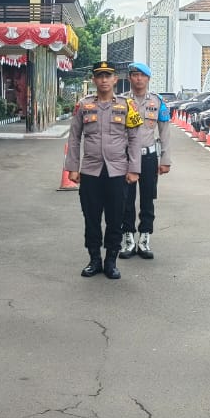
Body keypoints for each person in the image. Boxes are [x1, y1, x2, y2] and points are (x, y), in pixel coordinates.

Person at [65, 60, 142, 279]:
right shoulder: (83, 105)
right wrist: (73, 167)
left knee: (115, 218)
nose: (104, 80)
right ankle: (94, 259)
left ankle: (111, 261)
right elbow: (74, 137)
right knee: (91, 217)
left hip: (118, 171)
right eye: (99, 76)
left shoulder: (127, 105)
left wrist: (134, 168)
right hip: (90, 171)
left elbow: (135, 138)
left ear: (115, 79)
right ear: (94, 80)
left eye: (108, 76)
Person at [118, 62, 171, 260]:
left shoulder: (158, 101)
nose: (138, 79)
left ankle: (145, 238)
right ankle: (129, 238)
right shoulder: (121, 101)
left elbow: (164, 131)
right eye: (135, 75)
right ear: (129, 78)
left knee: (148, 199)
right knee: (126, 199)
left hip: (148, 157)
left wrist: (165, 158)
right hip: (126, 157)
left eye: (142, 75)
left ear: (148, 79)